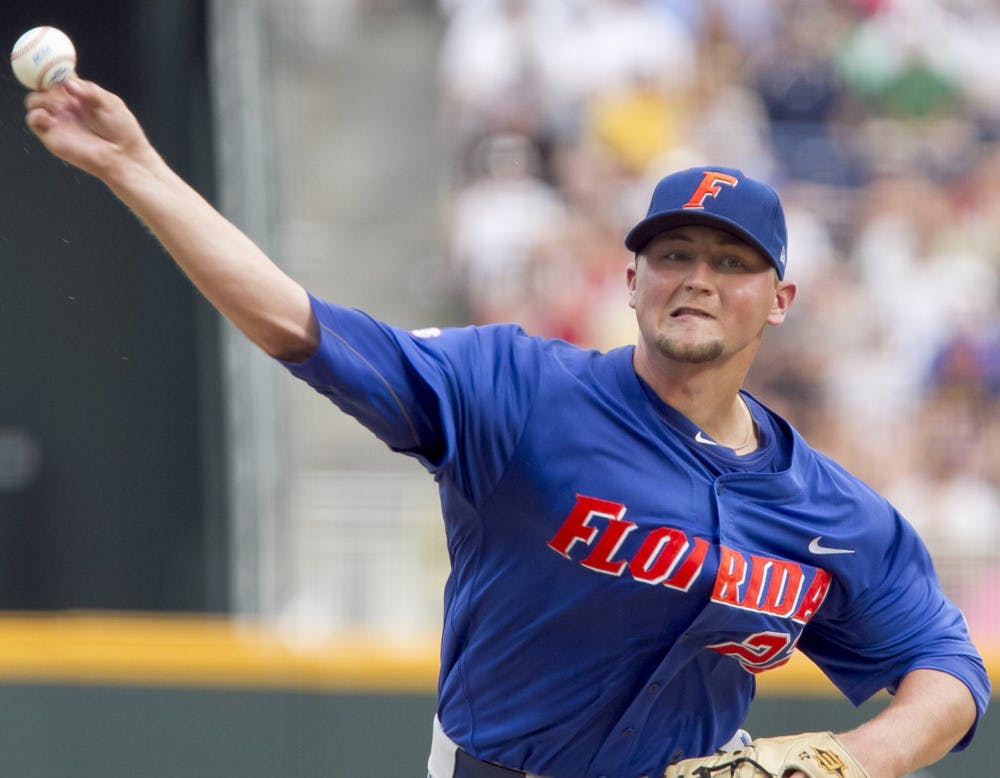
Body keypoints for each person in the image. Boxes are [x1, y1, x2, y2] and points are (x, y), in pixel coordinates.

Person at [23, 78, 988, 778]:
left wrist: (852, 759)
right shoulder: (518, 392)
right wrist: (135, 166)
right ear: (631, 280)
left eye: (731, 263)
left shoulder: (830, 511)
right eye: (674, 254)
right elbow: (297, 323)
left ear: (779, 300)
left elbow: (948, 668)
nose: (697, 277)